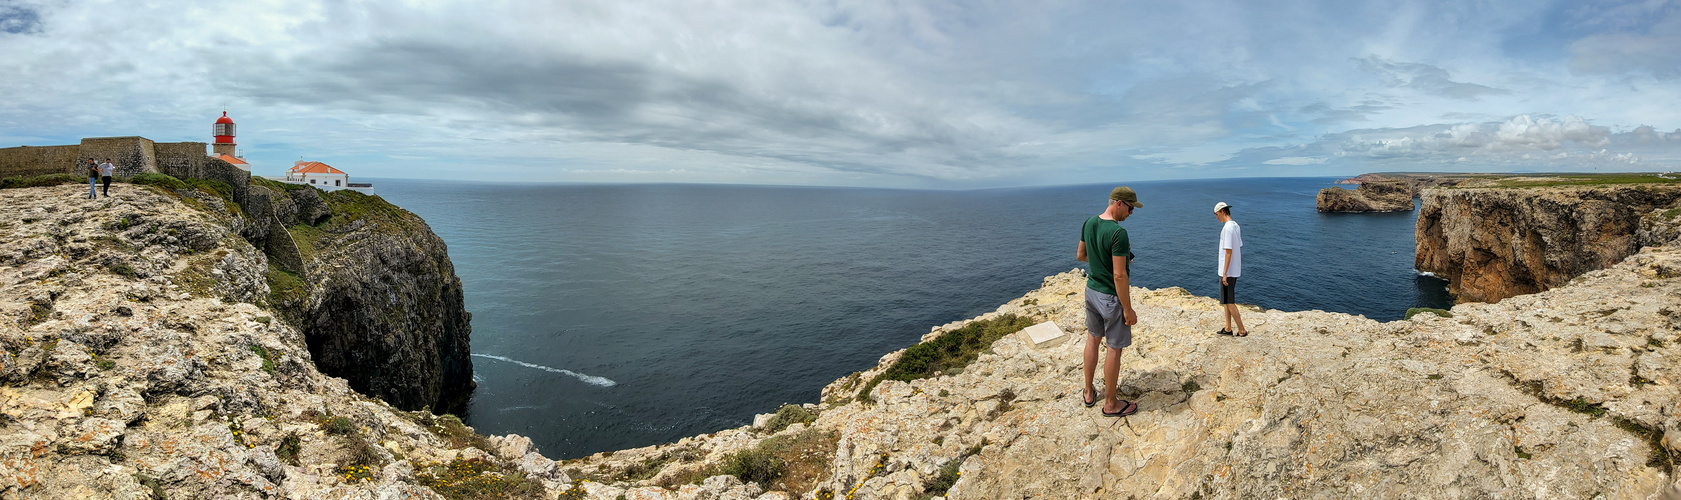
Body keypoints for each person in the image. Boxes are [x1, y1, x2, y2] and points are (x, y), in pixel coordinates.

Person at [1076, 186, 1142, 417]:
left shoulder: (1089, 223)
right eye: (1131, 208)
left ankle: (1088, 391)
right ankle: (1111, 404)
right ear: (1119, 204)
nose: (1131, 214)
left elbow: (1082, 256)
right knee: (1114, 349)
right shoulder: (1118, 233)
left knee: (1093, 340)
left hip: (1091, 291)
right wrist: (1128, 309)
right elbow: (1119, 275)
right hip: (1111, 298)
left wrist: (1108, 259)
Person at [1213, 202, 1248, 337]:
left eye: (1217, 215)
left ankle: (1242, 330)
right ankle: (1228, 328)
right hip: (1234, 269)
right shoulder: (1235, 225)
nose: (1217, 218)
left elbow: (1228, 251)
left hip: (1227, 271)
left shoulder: (1227, 228)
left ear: (1222, 211)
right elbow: (1237, 246)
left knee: (1229, 301)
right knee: (1226, 301)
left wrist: (1225, 273)